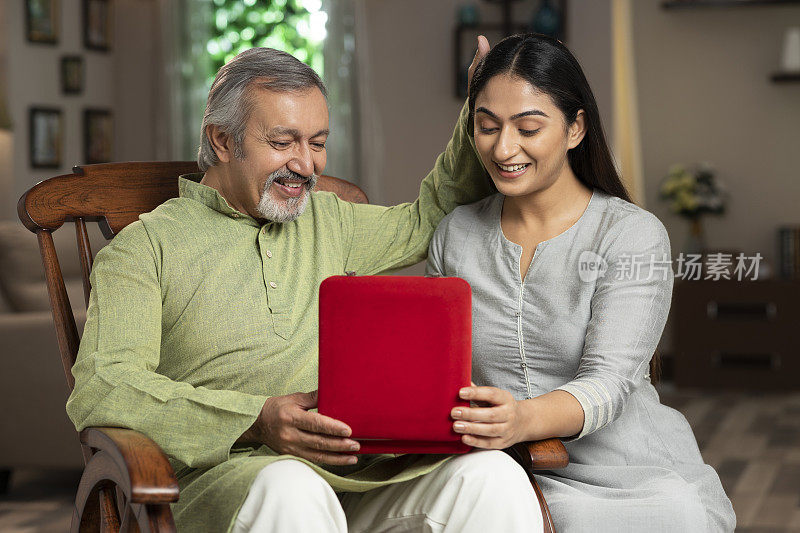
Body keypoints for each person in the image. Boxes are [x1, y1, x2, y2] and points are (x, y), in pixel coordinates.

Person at [66, 44, 547, 532]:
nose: (306, 164)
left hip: (357, 476)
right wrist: (257, 418)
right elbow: (104, 387)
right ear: (223, 141)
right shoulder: (144, 247)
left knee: (493, 477)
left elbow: (429, 219)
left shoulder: (328, 219)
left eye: (317, 142)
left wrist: (478, 102)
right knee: (292, 487)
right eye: (283, 142)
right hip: (231, 484)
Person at [426, 33, 737, 532]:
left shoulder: (631, 235)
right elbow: (439, 375)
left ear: (576, 129)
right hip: (498, 471)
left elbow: (609, 383)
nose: (504, 148)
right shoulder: (455, 236)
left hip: (630, 472)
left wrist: (520, 419)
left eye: (528, 127)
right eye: (486, 126)